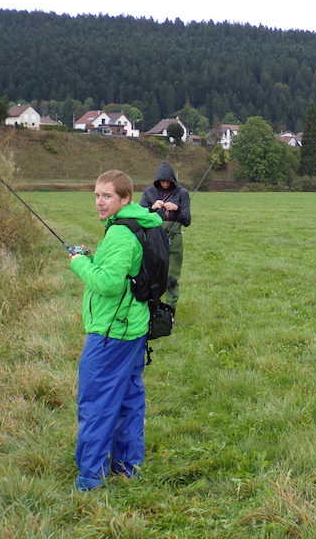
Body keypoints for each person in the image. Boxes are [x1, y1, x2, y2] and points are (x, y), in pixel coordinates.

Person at [69, 170, 163, 490]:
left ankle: (90, 477)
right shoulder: (134, 224)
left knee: (97, 402)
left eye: (107, 196)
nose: (100, 202)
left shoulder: (121, 234)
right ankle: (127, 467)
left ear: (125, 199)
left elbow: (109, 284)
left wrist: (79, 264)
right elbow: (123, 273)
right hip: (132, 328)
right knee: (128, 399)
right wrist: (91, 257)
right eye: (97, 195)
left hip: (112, 332)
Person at [139, 162, 191, 310]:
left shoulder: (182, 193)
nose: (165, 184)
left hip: (174, 238)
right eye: (162, 181)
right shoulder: (149, 192)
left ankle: (170, 310)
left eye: (168, 181)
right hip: (153, 238)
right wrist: (151, 209)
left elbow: (187, 220)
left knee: (171, 277)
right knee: (151, 275)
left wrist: (177, 209)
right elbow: (139, 217)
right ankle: (151, 309)